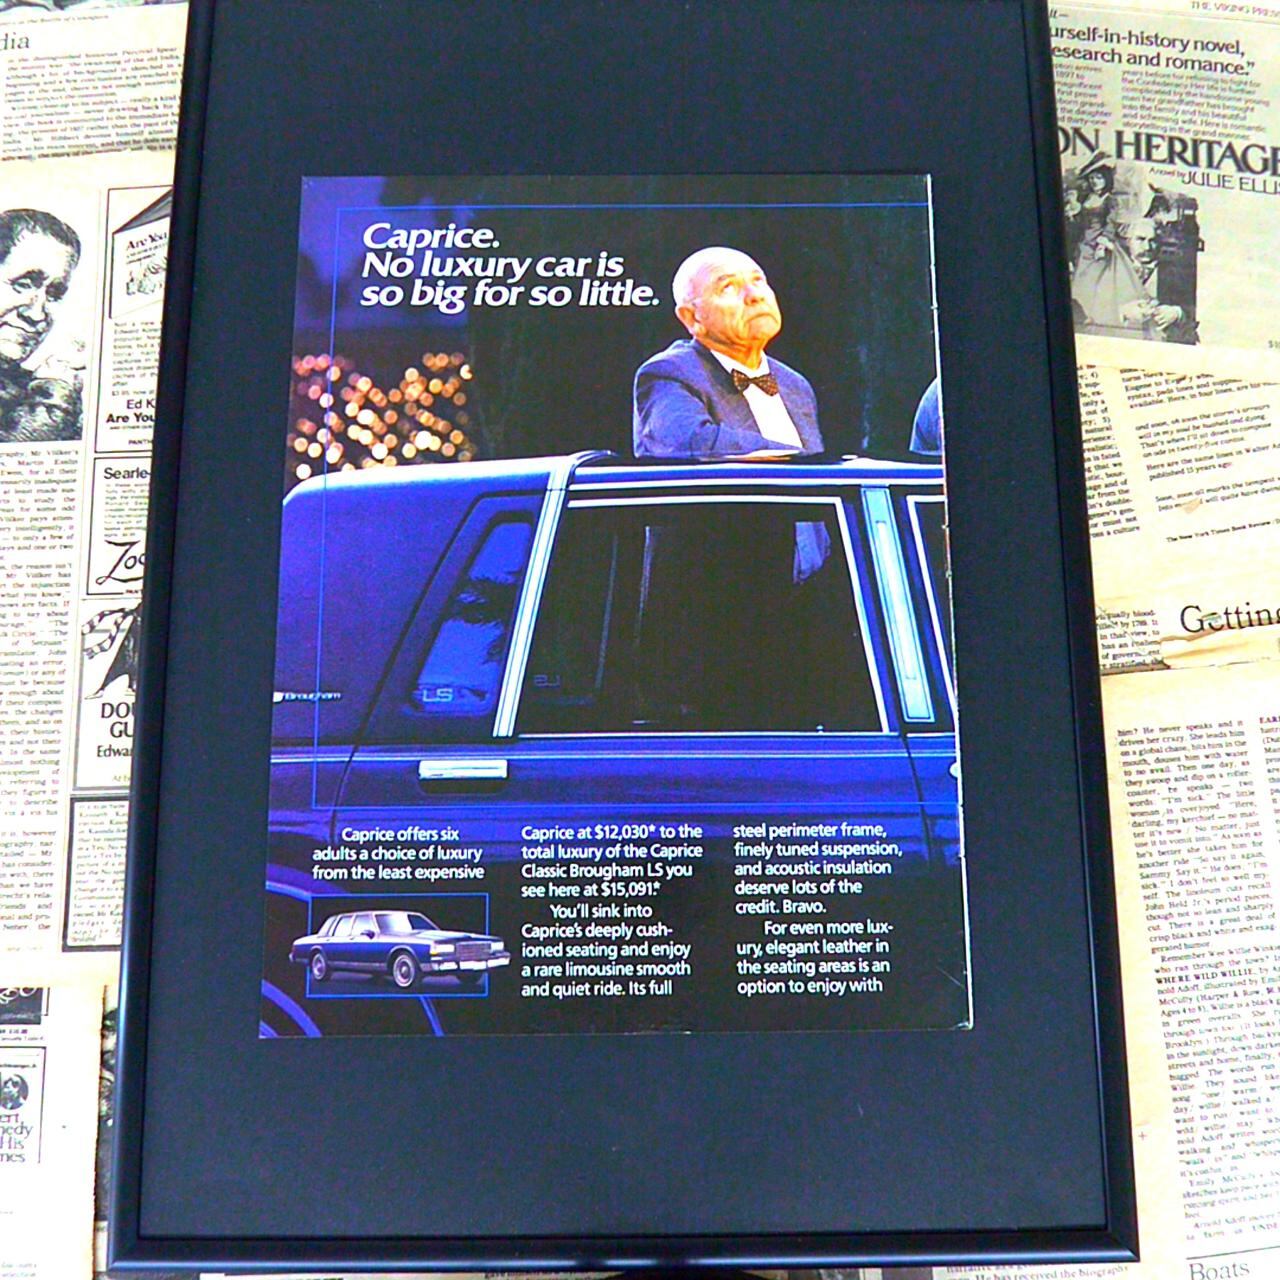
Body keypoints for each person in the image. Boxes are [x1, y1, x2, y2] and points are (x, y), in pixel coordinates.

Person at [633, 245, 823, 458]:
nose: (755, 296)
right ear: (692, 317)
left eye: (758, 281)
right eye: (728, 287)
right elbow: (693, 443)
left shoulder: (794, 384)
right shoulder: (670, 372)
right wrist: (800, 459)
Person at [0, 208, 83, 443]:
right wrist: (53, 398)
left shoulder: (25, 386)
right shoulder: (50, 394)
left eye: (54, 294)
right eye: (23, 284)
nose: (37, 314)